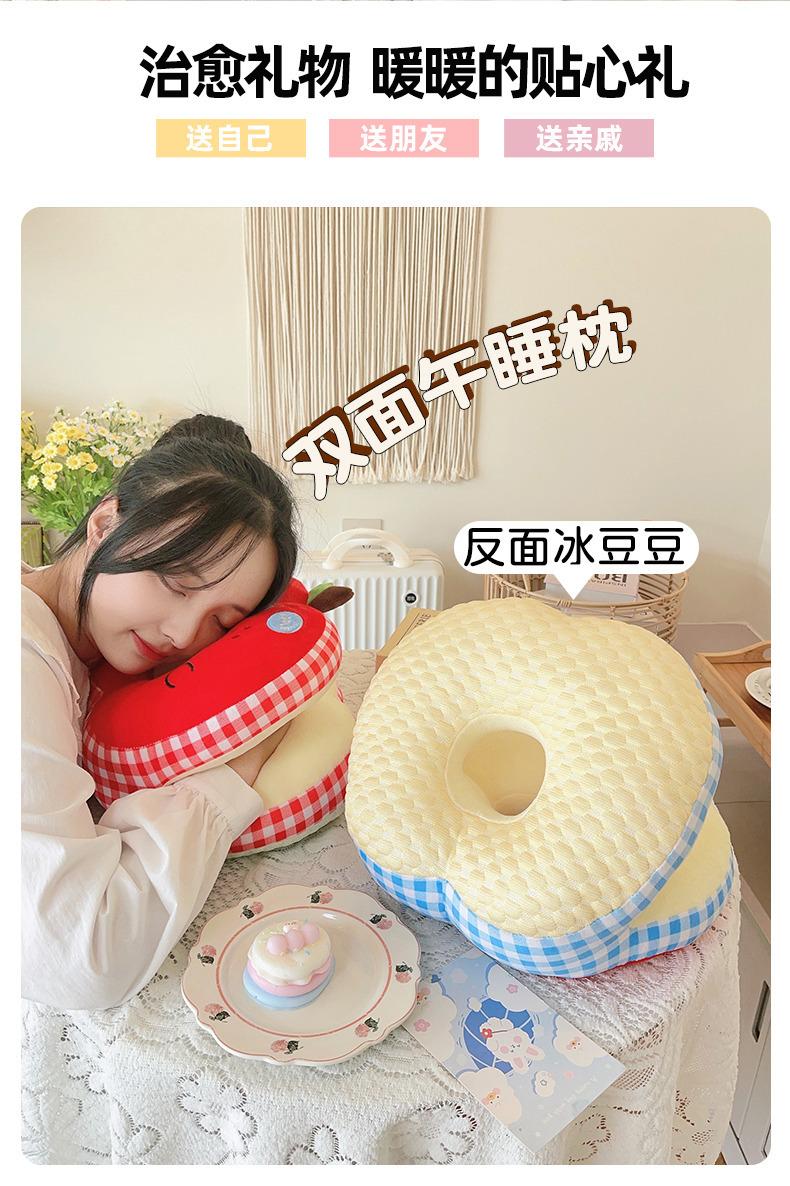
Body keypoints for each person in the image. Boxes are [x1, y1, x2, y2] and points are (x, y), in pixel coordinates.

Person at [21, 415, 299, 1010]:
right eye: (175, 581)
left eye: (223, 621)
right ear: (105, 524)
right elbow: (78, 959)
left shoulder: (85, 649)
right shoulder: (20, 656)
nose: (184, 634)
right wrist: (235, 771)